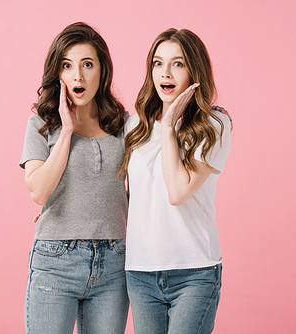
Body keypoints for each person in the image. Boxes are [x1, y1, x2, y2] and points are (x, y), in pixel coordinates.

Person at [119, 28, 232, 334]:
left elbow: (178, 192)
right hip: (141, 271)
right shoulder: (134, 126)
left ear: (194, 70)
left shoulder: (214, 124)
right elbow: (129, 196)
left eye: (178, 64)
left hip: (194, 270)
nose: (165, 73)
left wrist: (169, 128)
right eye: (158, 63)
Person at [19, 22, 129, 334]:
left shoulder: (124, 126)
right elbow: (38, 191)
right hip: (56, 261)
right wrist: (66, 130)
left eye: (87, 65)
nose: (78, 76)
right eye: (67, 65)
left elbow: (139, 191)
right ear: (58, 73)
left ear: (102, 72)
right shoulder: (41, 124)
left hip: (114, 263)